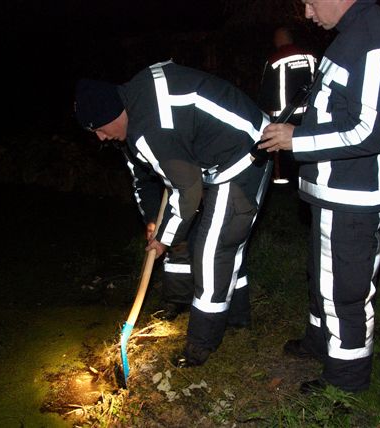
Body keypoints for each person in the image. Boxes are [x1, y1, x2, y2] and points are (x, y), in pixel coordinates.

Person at [74, 60, 272, 367]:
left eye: (99, 129)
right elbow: (143, 179)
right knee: (194, 234)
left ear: (112, 114)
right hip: (209, 160)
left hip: (245, 150)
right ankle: (224, 314)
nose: (101, 138)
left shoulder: (149, 128)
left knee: (213, 250)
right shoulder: (132, 111)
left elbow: (189, 190)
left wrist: (166, 237)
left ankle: (202, 343)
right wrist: (155, 221)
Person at [259, 0, 380, 392]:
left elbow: (370, 131)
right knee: (323, 277)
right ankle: (319, 341)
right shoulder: (350, 36)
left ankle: (346, 379)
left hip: (353, 194)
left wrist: (298, 139)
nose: (307, 14)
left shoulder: (375, 43)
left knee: (345, 292)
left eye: (310, 2)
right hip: (331, 189)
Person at [258, 26, 317, 185]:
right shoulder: (310, 57)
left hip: (283, 115)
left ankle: (285, 179)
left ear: (279, 39)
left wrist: (264, 110)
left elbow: (266, 88)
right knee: (305, 145)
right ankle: (305, 178)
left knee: (285, 149)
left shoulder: (274, 59)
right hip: (308, 113)